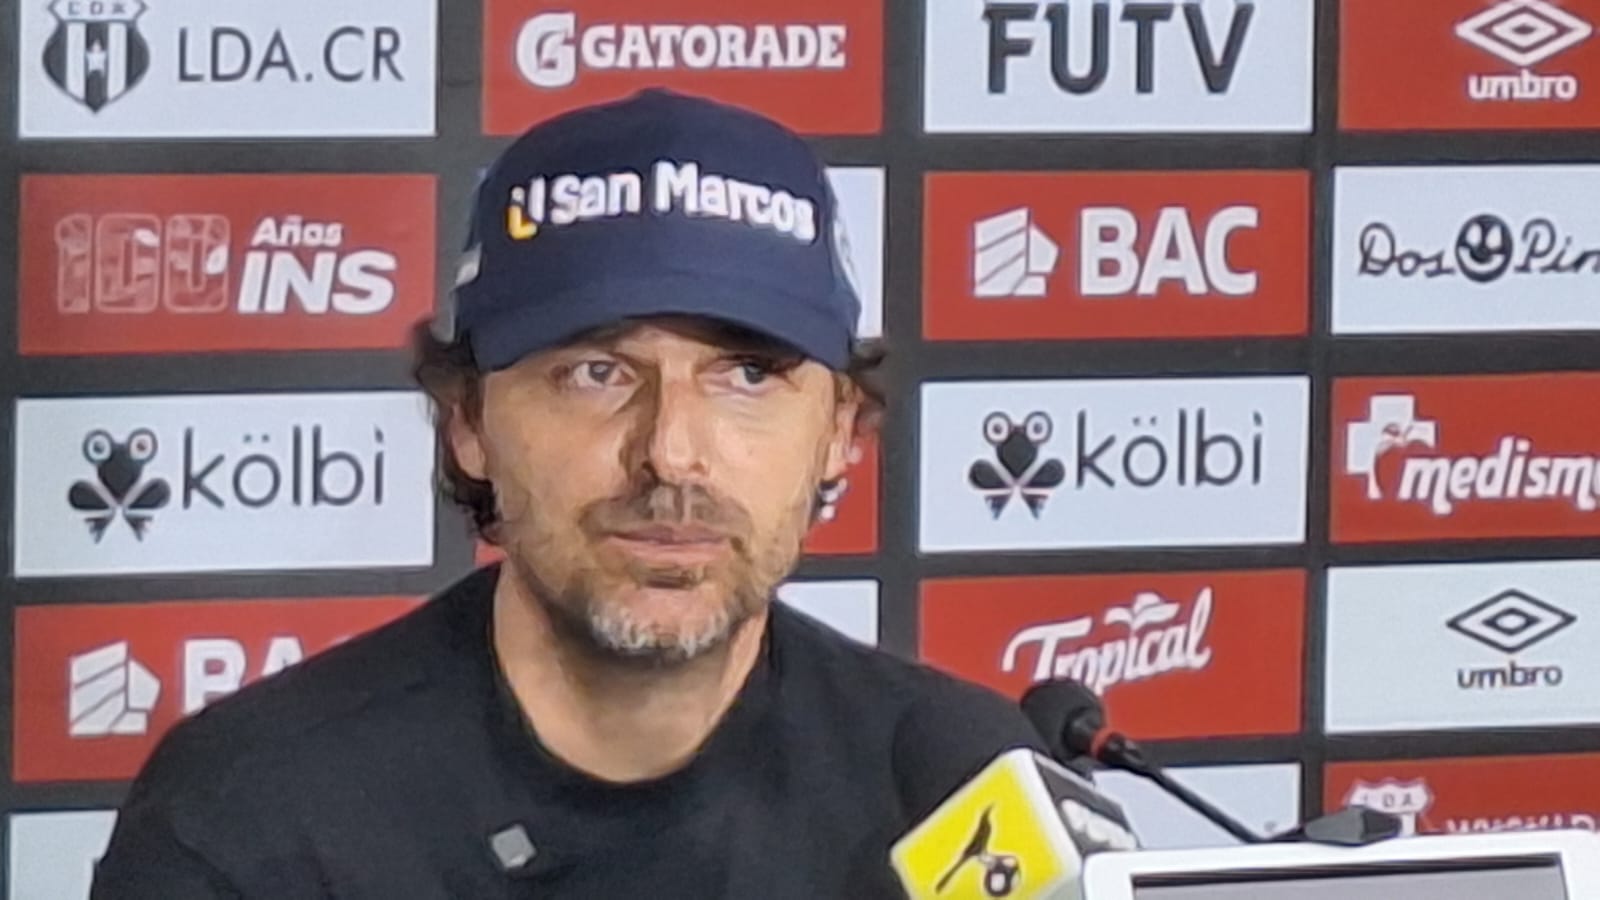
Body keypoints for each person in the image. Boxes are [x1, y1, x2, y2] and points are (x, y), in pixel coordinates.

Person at [90, 88, 1048, 899]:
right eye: (596, 374)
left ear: (839, 429)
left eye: (748, 375)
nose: (672, 455)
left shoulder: (958, 789)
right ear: (469, 422)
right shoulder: (251, 821)